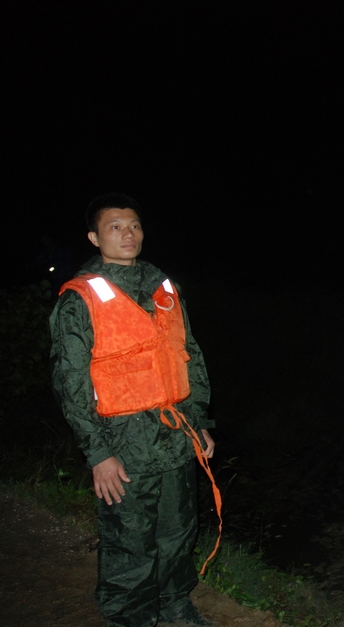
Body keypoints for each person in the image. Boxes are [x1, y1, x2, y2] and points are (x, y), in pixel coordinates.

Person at [49, 194, 216, 627]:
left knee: (178, 530)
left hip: (175, 433)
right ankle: (130, 618)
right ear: (94, 237)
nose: (128, 234)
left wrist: (199, 422)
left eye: (135, 225)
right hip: (122, 440)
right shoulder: (80, 298)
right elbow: (70, 381)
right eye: (116, 227)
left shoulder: (164, 288)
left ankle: (175, 604)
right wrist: (98, 454)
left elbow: (189, 356)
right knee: (130, 540)